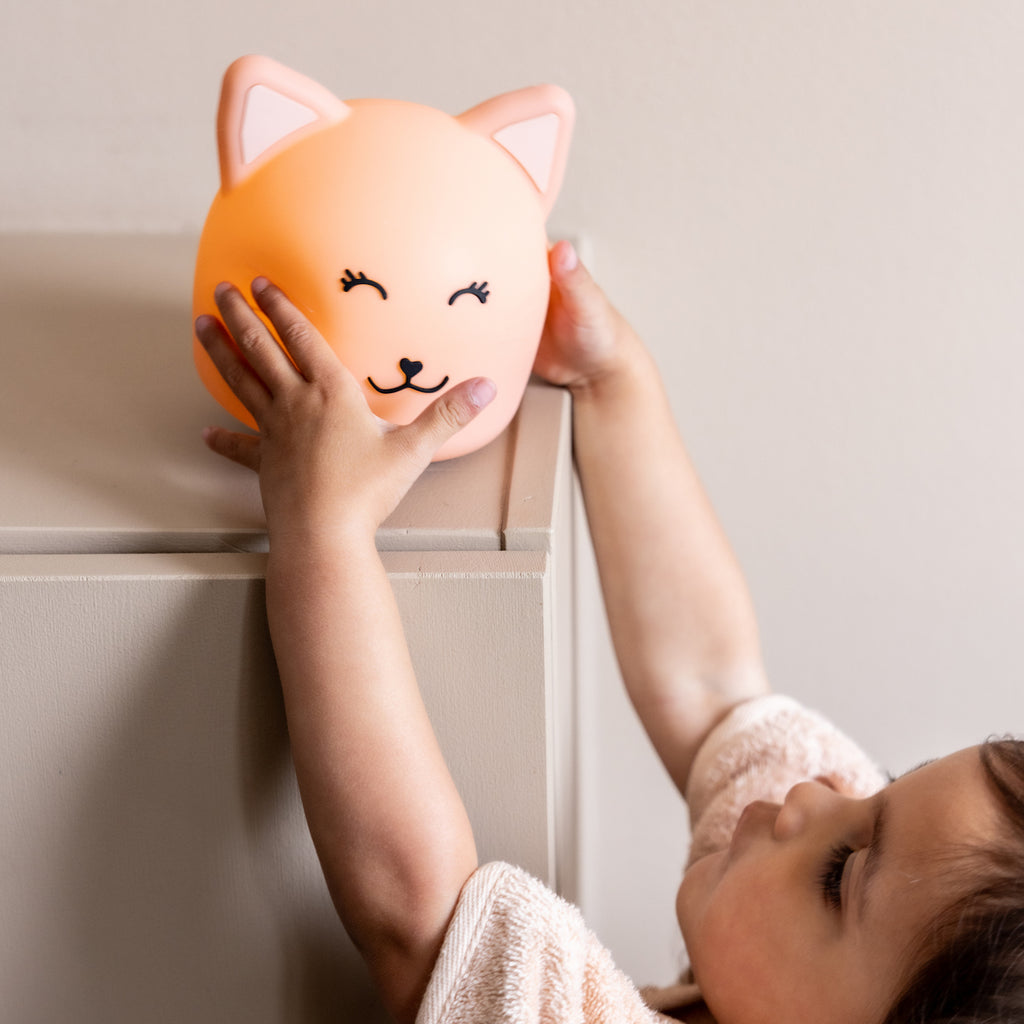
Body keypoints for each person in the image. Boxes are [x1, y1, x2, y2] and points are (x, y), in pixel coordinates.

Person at [194, 242, 1024, 1024]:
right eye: (883, 789)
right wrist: (608, 381)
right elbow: (710, 689)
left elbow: (419, 913)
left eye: (841, 873)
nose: (821, 793)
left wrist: (325, 525)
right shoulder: (828, 851)